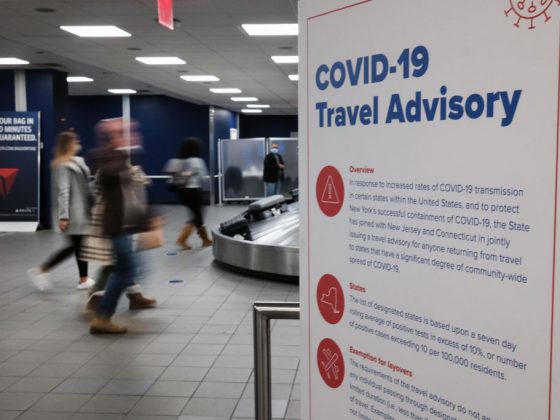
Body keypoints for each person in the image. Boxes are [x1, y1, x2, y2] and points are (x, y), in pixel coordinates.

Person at [88, 118, 147, 334]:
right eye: (126, 133)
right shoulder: (104, 157)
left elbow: (131, 192)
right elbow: (111, 176)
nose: (132, 137)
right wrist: (117, 142)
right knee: (126, 270)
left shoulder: (119, 158)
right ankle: (102, 314)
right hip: (117, 225)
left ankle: (104, 312)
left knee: (127, 269)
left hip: (125, 224)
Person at [81, 164, 156, 312]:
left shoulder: (113, 170)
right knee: (117, 261)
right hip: (113, 222)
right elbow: (140, 181)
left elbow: (143, 181)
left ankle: (135, 296)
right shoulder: (109, 171)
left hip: (121, 221)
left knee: (121, 260)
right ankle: (96, 296)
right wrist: (132, 170)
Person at [27, 131, 95, 291]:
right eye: (75, 141)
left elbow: (85, 185)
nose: (78, 143)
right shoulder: (62, 166)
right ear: (68, 144)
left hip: (82, 210)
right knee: (77, 246)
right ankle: (42, 270)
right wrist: (64, 216)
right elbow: (63, 191)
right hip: (74, 212)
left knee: (78, 246)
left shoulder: (77, 161)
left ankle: (83, 279)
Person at [165, 137, 213, 250]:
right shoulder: (197, 161)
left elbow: (171, 177)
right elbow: (203, 177)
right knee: (197, 216)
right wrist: (207, 191)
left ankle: (205, 240)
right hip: (193, 191)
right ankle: (182, 240)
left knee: (196, 216)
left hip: (181, 192)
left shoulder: (178, 161)